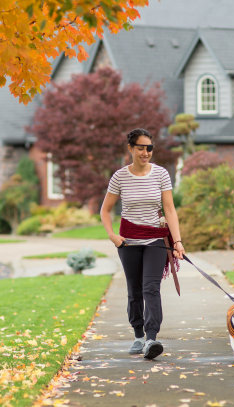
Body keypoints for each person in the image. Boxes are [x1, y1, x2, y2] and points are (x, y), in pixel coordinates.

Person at [100, 128, 185, 360]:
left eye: (149, 148)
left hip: (156, 239)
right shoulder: (120, 176)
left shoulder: (161, 174)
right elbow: (105, 210)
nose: (146, 152)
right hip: (128, 241)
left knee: (151, 288)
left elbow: (169, 209)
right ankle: (138, 334)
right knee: (134, 289)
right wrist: (112, 236)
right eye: (141, 148)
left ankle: (151, 338)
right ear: (130, 149)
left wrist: (177, 241)